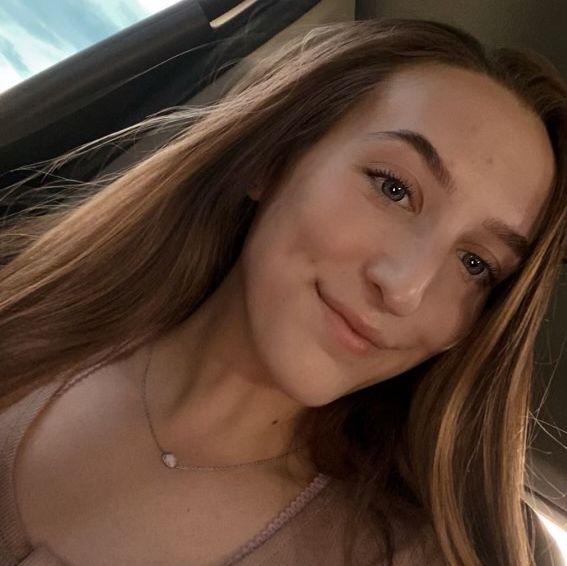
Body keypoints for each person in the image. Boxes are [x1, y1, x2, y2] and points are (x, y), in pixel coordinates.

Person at [0, 17, 565, 566]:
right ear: (273, 159)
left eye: (475, 264)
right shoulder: (25, 312)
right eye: (394, 189)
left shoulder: (412, 552)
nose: (404, 289)